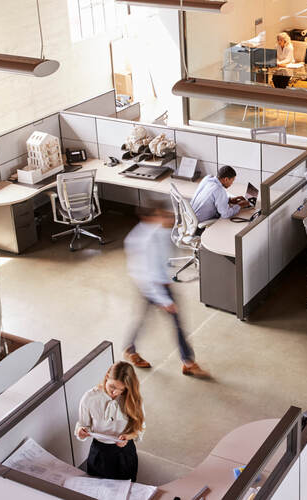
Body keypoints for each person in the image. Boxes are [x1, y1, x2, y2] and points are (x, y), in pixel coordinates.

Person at [123, 202, 210, 378]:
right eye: (163, 216)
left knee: (144, 319)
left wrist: (167, 279)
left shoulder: (161, 232)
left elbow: (163, 261)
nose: (170, 219)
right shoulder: (142, 241)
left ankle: (130, 348)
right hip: (150, 287)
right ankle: (188, 362)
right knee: (176, 322)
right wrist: (165, 301)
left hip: (161, 283)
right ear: (149, 218)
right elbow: (146, 275)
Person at [75, 361, 145, 481]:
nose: (115, 392)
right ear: (107, 376)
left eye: (121, 390)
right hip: (99, 452)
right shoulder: (90, 398)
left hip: (124, 453)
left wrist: (128, 436)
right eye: (112, 386)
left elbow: (139, 428)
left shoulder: (132, 399)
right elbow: (82, 424)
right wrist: (81, 431)